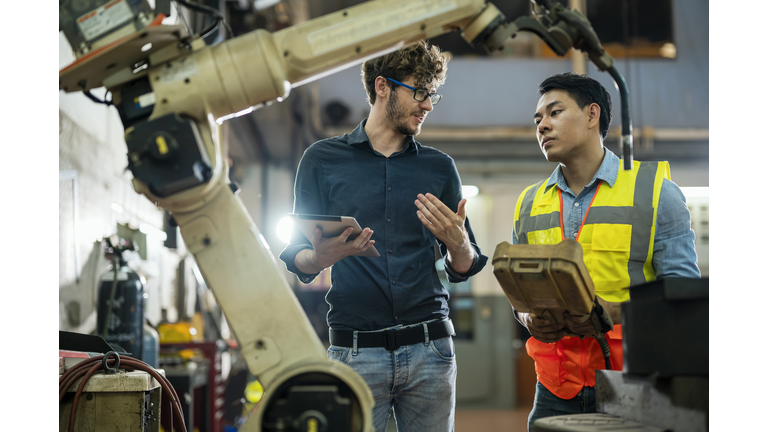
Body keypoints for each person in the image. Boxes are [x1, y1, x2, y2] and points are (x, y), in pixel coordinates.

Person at [279, 40, 488, 432]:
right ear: (382, 87)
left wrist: (459, 244)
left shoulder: (440, 168)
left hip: (431, 351)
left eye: (432, 96)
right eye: (420, 92)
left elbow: (464, 263)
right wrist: (321, 257)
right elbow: (298, 257)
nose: (427, 105)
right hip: (355, 353)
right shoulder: (321, 160)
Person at [512, 72, 701, 431]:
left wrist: (609, 311)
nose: (542, 125)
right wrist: (527, 318)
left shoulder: (656, 194)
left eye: (554, 113)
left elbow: (682, 297)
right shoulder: (529, 203)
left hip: (635, 384)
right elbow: (520, 296)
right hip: (554, 388)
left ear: (591, 115)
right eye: (538, 119)